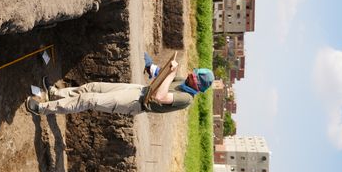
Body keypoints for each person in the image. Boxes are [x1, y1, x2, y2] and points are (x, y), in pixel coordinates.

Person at [25, 53, 214, 116]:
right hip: (139, 90)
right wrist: (150, 65)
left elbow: (160, 96)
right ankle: (54, 94)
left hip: (136, 102)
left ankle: (42, 108)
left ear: (197, 85)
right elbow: (159, 76)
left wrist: (171, 73)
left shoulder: (186, 98)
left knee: (89, 100)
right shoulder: (184, 82)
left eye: (193, 77)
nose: (190, 74)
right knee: (91, 87)